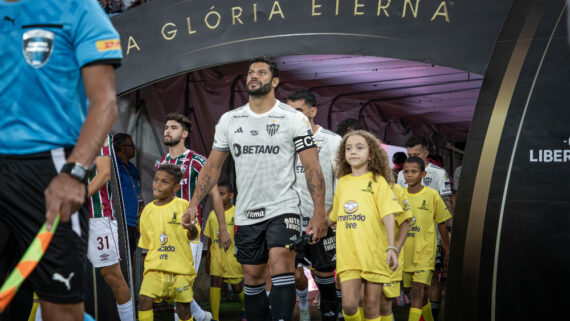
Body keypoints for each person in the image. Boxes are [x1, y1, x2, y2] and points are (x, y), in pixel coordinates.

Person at [0, 0, 121, 320]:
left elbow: (105, 101)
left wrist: (74, 173)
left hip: (49, 169)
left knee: (60, 305)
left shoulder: (77, 7)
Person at [182, 57, 328, 321]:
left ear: (274, 81)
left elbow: (312, 168)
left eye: (261, 72)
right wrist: (194, 204)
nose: (254, 75)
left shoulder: (293, 119)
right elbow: (212, 168)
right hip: (247, 214)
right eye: (250, 72)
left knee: (282, 264)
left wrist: (319, 212)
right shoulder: (229, 120)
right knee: (252, 276)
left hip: (284, 208)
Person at [154, 113, 230, 321]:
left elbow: (215, 195)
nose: (167, 131)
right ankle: (202, 316)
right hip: (165, 233)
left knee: (182, 285)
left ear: (185, 134)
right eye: (166, 127)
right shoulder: (160, 163)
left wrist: (222, 229)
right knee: (170, 286)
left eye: (173, 128)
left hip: (190, 233)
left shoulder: (197, 161)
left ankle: (195, 316)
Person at [329, 130, 402, 321]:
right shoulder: (342, 183)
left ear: (371, 154)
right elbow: (334, 217)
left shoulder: (378, 182)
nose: (353, 152)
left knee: (371, 308)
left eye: (359, 148)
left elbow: (388, 216)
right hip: (348, 254)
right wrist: (316, 224)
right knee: (350, 306)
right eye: (348, 148)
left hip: (374, 253)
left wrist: (392, 247)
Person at [286, 89, 342, 321]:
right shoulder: (283, 142)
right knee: (290, 273)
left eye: (297, 110)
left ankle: (331, 312)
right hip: (289, 221)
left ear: (313, 111)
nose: (293, 115)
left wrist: (328, 217)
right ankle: (304, 310)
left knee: (325, 275)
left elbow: (341, 182)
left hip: (321, 221)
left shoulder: (332, 141)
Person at [395, 136, 452, 320]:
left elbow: (445, 207)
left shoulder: (438, 174)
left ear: (426, 153)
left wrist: (447, 243)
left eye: (416, 154)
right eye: (409, 155)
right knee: (412, 290)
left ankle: (433, 316)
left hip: (429, 241)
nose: (413, 157)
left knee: (430, 283)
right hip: (406, 244)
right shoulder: (400, 178)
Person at [137, 164, 200, 321]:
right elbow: (147, 246)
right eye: (156, 180)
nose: (157, 185)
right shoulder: (147, 211)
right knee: (144, 300)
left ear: (176, 187)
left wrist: (191, 227)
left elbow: (193, 237)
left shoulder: (184, 206)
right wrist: (147, 268)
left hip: (180, 269)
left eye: (164, 182)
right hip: (155, 268)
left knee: (183, 310)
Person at [85, 134, 134, 321]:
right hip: (66, 217)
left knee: (112, 276)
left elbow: (104, 174)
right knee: (55, 275)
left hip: (97, 217)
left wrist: (77, 198)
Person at [204, 182, 246, 321]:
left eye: (222, 194)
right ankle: (215, 318)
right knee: (215, 281)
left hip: (233, 256)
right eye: (216, 194)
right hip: (217, 255)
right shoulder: (212, 215)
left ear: (231, 195)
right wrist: (208, 259)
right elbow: (210, 239)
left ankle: (245, 309)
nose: (218, 197)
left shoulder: (237, 213)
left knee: (237, 286)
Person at [113, 133, 143, 261]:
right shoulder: (113, 167)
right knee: (122, 262)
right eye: (131, 145)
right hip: (121, 223)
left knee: (131, 258)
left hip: (134, 222)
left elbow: (138, 192)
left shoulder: (132, 167)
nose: (134, 148)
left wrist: (141, 215)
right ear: (121, 147)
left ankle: (129, 282)